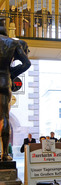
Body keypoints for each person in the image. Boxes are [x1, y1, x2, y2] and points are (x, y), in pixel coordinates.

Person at [1, 26, 31, 160]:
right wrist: (12, 74)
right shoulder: (12, 43)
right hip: (4, 81)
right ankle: (5, 154)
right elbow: (26, 63)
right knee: (5, 116)